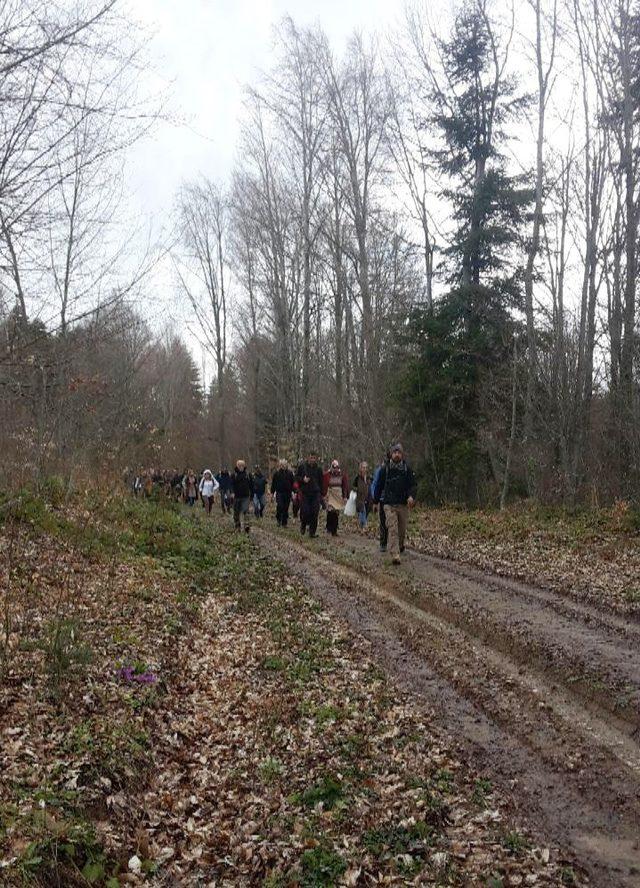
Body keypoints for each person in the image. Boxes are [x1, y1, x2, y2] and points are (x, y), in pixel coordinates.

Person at [373, 443, 417, 564]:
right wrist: (375, 502)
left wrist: (411, 497)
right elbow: (378, 486)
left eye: (399, 453)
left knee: (401, 530)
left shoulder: (407, 469)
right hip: (389, 504)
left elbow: (413, 485)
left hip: (402, 504)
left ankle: (400, 546)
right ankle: (395, 554)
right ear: (391, 454)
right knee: (392, 529)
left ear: (402, 455)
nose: (397, 454)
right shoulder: (385, 470)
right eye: (395, 452)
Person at [296, 451, 324, 537]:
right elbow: (296, 477)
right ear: (308, 457)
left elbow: (321, 481)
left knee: (315, 512)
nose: (312, 460)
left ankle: (312, 532)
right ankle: (303, 525)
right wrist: (302, 480)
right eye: (311, 458)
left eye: (314, 458)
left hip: (315, 493)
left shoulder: (319, 469)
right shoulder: (302, 467)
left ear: (316, 459)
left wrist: (322, 494)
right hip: (305, 493)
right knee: (305, 511)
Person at [323, 459, 349, 536]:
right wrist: (324, 495)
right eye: (334, 467)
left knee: (336, 513)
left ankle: (334, 530)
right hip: (330, 494)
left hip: (338, 495)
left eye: (337, 467)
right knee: (330, 512)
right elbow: (324, 484)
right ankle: (329, 528)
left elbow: (345, 486)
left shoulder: (342, 475)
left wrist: (345, 497)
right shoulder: (328, 475)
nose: (335, 469)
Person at [371, 451, 390, 552]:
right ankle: (383, 543)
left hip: (394, 500)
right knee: (383, 522)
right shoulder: (381, 470)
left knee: (392, 523)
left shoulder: (399, 468)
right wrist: (375, 500)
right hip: (383, 499)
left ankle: (392, 543)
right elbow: (376, 485)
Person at [271, 459, 295, 526]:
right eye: (282, 465)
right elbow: (273, 484)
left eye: (284, 464)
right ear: (280, 465)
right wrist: (272, 493)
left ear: (286, 465)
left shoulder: (290, 473)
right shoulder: (277, 473)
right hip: (279, 492)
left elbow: (293, 483)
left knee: (286, 508)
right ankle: (278, 519)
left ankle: (284, 523)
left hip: (288, 493)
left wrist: (294, 492)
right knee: (280, 506)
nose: (283, 466)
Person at [231, 459, 254, 532]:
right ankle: (237, 526)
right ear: (237, 466)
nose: (241, 467)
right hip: (236, 496)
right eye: (239, 465)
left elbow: (251, 485)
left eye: (242, 465)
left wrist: (252, 495)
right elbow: (231, 485)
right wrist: (232, 492)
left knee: (245, 510)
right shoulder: (234, 475)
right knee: (236, 512)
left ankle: (247, 525)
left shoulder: (248, 475)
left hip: (245, 496)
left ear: (244, 466)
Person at [352, 461, 373, 531]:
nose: (365, 469)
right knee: (362, 511)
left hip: (368, 498)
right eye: (363, 467)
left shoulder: (369, 477)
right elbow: (353, 486)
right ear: (360, 468)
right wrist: (356, 491)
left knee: (366, 512)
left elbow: (372, 487)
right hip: (360, 498)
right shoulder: (357, 477)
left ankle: (361, 525)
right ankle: (365, 526)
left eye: (366, 467)